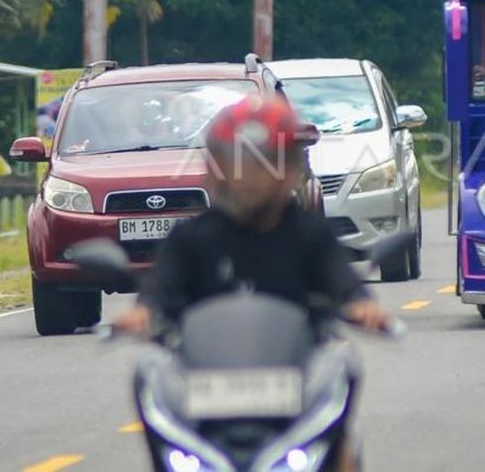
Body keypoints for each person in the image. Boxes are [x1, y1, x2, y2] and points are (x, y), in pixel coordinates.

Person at [112, 95, 392, 335]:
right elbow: (161, 286)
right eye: (236, 163)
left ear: (289, 169)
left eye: (265, 163)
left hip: (295, 371)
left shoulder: (310, 235)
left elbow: (341, 280)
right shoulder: (190, 239)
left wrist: (361, 305)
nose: (249, 177)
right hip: (205, 375)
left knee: (342, 369)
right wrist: (143, 312)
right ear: (216, 168)